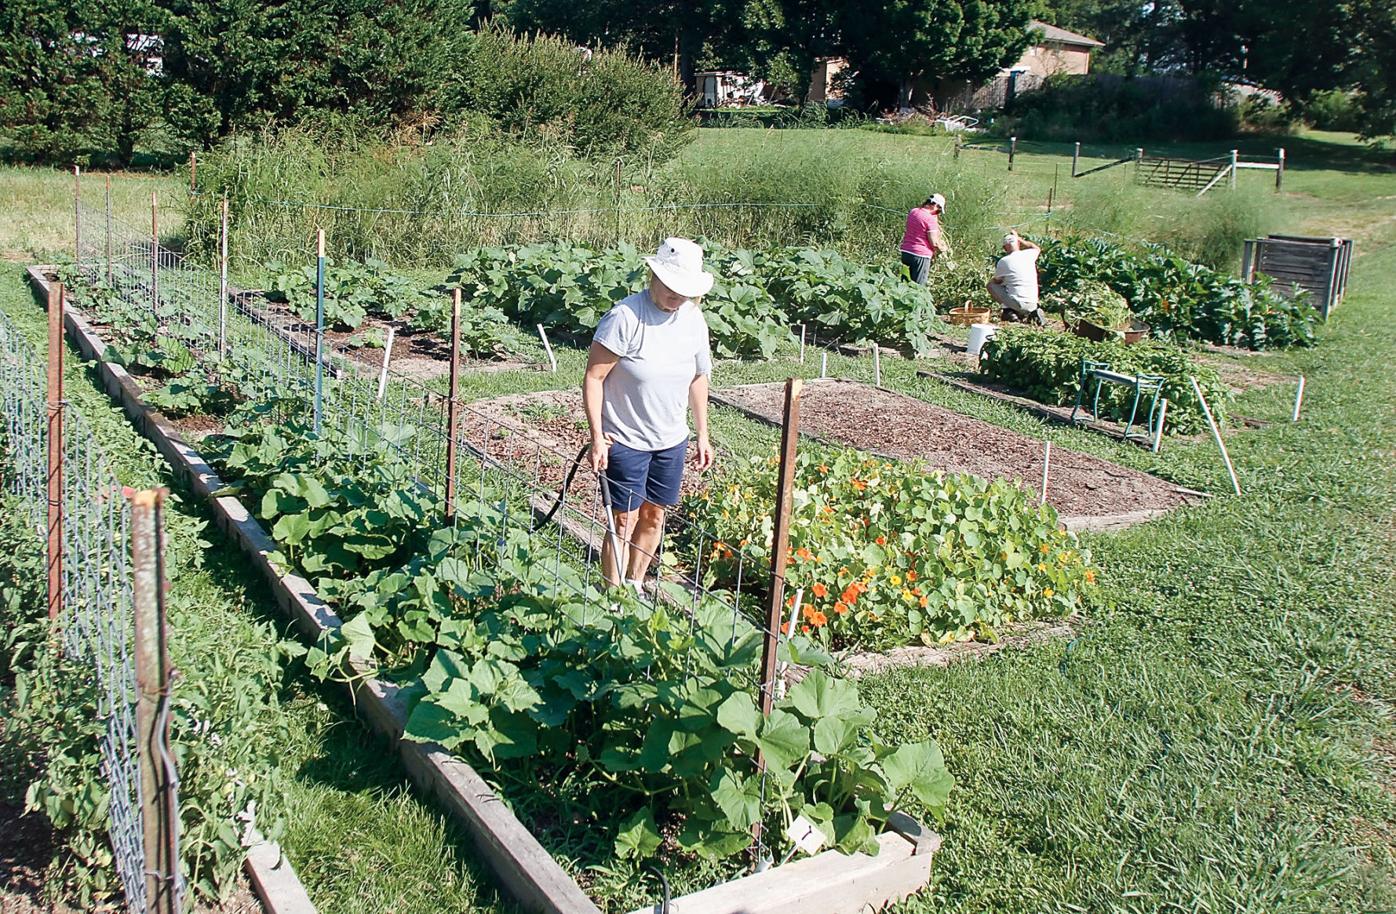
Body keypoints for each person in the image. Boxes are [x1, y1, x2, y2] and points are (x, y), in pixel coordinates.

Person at [583, 238, 716, 592]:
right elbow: (594, 378)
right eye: (671, 287)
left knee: (654, 516)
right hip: (625, 438)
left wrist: (702, 434)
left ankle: (635, 584)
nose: (677, 296)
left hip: (671, 440)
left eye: (684, 291)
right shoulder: (625, 317)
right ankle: (612, 594)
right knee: (623, 520)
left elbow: (698, 378)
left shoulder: (693, 320)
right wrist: (597, 437)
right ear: (653, 277)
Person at [988, 231, 1045, 325]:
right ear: (1018, 244)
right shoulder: (1029, 255)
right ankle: (1033, 312)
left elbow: (997, 281)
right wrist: (1019, 238)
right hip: (1033, 303)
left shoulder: (1003, 261)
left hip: (1018, 303)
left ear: (1004, 248)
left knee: (991, 285)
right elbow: (1035, 247)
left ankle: (1009, 312)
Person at [899, 193, 948, 285]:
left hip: (906, 251)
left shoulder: (913, 211)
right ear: (936, 206)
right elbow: (934, 243)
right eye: (939, 210)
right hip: (920, 255)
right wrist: (943, 249)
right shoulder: (930, 219)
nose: (937, 213)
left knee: (904, 283)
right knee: (918, 287)